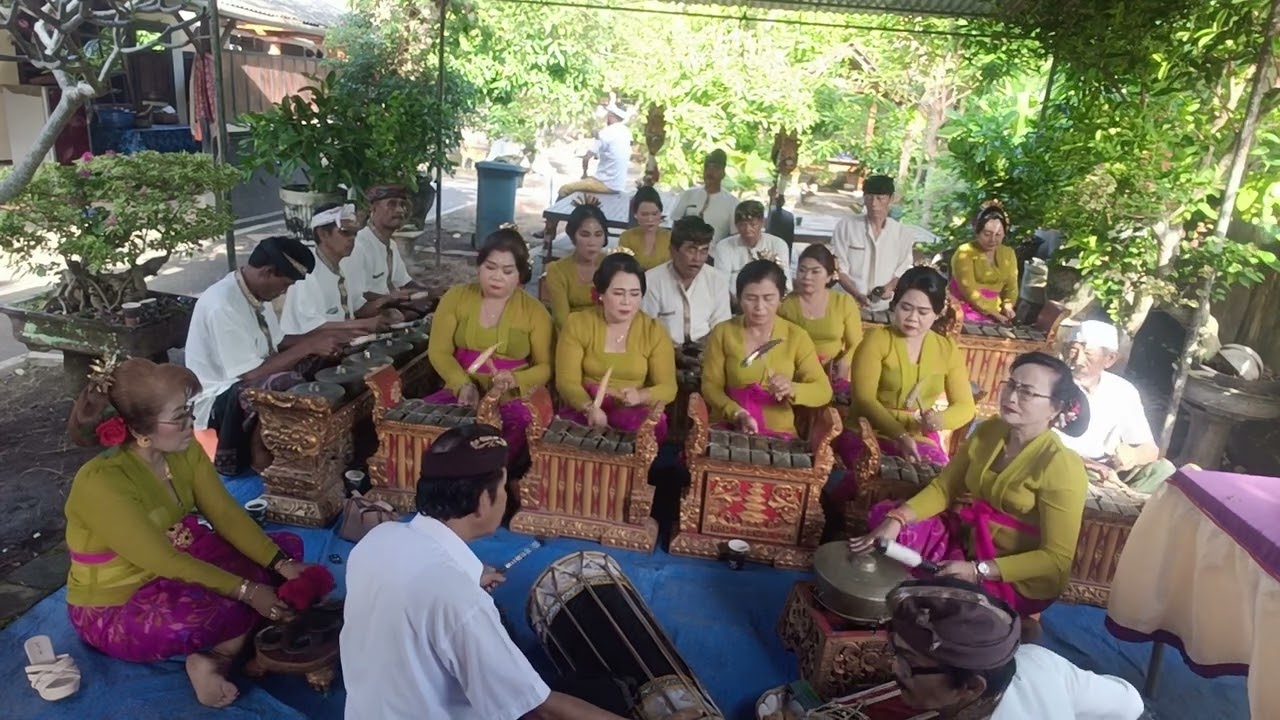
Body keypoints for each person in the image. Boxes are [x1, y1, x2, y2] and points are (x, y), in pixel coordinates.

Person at [64, 358, 309, 708]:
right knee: (224, 608)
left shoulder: (184, 449)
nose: (191, 423)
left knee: (283, 552)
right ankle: (217, 658)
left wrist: (281, 563)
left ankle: (222, 651)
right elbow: (163, 560)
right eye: (180, 417)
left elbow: (224, 513)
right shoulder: (101, 484)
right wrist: (249, 592)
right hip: (117, 601)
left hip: (179, 554)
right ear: (138, 429)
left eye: (190, 410)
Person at [340, 423, 628, 720]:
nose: (506, 495)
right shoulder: (462, 602)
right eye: (503, 488)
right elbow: (536, 709)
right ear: (482, 502)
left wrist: (468, 578)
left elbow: (416, 586)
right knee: (606, 694)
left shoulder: (378, 538)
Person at [849, 351, 1090, 616]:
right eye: (1011, 384)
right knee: (887, 521)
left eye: (1027, 393)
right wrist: (897, 519)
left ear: (1055, 407)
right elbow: (945, 488)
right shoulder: (990, 430)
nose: (1011, 397)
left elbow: (1056, 558)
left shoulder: (1063, 465)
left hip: (1015, 577)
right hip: (969, 541)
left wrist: (979, 570)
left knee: (948, 604)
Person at [839, 577, 1145, 719]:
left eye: (907, 663)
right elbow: (1130, 703)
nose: (894, 669)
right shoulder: (1037, 661)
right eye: (897, 652)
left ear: (971, 686)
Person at [186, 235, 345, 476]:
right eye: (285, 285)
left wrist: (326, 342)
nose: (284, 292)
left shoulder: (255, 292)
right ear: (269, 272)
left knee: (323, 360)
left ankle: (314, 435)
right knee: (282, 382)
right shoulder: (223, 305)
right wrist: (310, 345)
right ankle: (260, 454)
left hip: (253, 374)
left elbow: (279, 343)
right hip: (220, 398)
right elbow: (250, 373)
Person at [830, 266, 975, 499]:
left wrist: (939, 420)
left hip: (919, 435)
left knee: (938, 487)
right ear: (894, 305)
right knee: (870, 483)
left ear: (937, 313)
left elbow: (966, 407)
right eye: (905, 308)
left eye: (923, 312)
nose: (912, 318)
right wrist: (899, 435)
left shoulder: (946, 349)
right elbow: (864, 399)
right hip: (868, 431)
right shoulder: (876, 339)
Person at [425, 229, 552, 461]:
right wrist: (461, 384)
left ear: (520, 275)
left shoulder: (536, 312)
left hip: (511, 397)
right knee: (427, 425)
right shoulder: (455, 297)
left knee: (514, 429)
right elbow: (439, 351)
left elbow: (545, 367)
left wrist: (515, 381)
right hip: (461, 391)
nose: (497, 277)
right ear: (479, 266)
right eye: (490, 267)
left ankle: (498, 483)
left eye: (507, 270)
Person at [701, 259, 833, 438]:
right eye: (751, 298)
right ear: (739, 298)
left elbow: (823, 391)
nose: (759, 308)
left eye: (768, 298)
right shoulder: (723, 332)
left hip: (779, 432)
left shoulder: (796, 336)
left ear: (781, 298)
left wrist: (792, 389)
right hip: (730, 426)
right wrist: (736, 412)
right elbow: (710, 386)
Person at [556, 251, 677, 441]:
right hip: (585, 406)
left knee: (651, 425)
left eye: (635, 294)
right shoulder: (578, 323)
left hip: (632, 411)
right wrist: (589, 407)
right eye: (618, 293)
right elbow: (567, 382)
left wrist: (641, 395)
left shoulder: (654, 331)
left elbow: (669, 388)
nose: (627, 302)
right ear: (601, 294)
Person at [1061, 320, 1174, 493]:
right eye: (1073, 350)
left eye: (1088, 352)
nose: (1078, 359)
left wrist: (1132, 456)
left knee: (1165, 471)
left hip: (1109, 470)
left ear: (1110, 359)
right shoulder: (1053, 382)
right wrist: (1091, 466)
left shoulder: (1123, 390)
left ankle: (1128, 501)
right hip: (1066, 463)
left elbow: (1149, 449)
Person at [280, 203, 403, 336]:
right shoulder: (307, 274)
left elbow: (357, 309)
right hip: (308, 351)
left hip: (339, 343)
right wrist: (366, 324)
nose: (352, 239)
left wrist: (387, 305)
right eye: (345, 232)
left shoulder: (344, 267)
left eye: (354, 233)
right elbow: (312, 328)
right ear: (322, 234)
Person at [778, 244, 862, 396]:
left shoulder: (843, 302)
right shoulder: (786, 305)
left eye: (815, 271)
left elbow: (856, 343)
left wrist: (845, 361)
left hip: (833, 373)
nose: (807, 277)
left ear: (829, 276)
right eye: (802, 270)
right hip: (795, 375)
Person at [639, 216, 732, 346]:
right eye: (691, 250)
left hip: (706, 351)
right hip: (662, 351)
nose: (697, 259)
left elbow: (721, 327)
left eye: (704, 251)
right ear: (673, 250)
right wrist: (674, 353)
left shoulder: (717, 280)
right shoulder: (651, 281)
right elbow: (646, 329)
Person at [831, 174, 914, 311]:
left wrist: (888, 288)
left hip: (883, 307)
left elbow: (903, 270)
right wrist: (857, 294)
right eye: (869, 198)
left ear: (891, 198)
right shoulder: (846, 226)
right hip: (846, 303)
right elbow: (839, 267)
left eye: (880, 198)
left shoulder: (901, 233)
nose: (874, 204)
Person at [348, 184, 430, 315]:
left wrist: (431, 292)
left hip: (390, 304)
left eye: (402, 205)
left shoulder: (391, 245)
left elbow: (404, 282)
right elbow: (358, 297)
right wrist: (397, 300)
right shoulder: (359, 246)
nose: (400, 210)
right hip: (368, 312)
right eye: (392, 204)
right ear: (372, 207)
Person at [950, 202, 1019, 324]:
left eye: (998, 235)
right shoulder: (964, 252)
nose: (993, 240)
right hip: (964, 307)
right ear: (977, 231)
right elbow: (969, 291)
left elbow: (1011, 287)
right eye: (987, 234)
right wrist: (993, 314)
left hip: (996, 310)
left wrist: (1008, 305)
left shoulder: (1008, 253)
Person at [546, 203, 610, 328]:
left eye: (598, 235)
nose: (592, 242)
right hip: (571, 336)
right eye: (585, 235)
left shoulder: (612, 266)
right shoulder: (557, 270)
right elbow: (561, 320)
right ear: (572, 236)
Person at [711, 200, 791, 297]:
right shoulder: (724, 246)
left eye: (753, 224)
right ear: (736, 225)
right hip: (732, 305)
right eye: (742, 225)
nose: (748, 229)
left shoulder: (778, 244)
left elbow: (785, 283)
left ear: (762, 223)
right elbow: (720, 284)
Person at [556, 100, 632, 199]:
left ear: (610, 115)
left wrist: (584, 174)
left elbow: (587, 158)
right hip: (619, 185)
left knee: (564, 189)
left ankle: (556, 213)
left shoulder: (606, 133)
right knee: (589, 180)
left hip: (606, 184)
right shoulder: (626, 132)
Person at [669, 149, 739, 242]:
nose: (710, 172)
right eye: (707, 168)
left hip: (715, 253)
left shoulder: (732, 203)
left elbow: (734, 236)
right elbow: (675, 225)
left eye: (715, 168)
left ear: (723, 173)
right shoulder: (688, 194)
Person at [617, 186, 670, 270]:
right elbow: (623, 268)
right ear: (635, 215)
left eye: (654, 214)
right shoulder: (626, 237)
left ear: (660, 213)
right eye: (645, 214)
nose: (650, 219)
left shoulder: (669, 238)